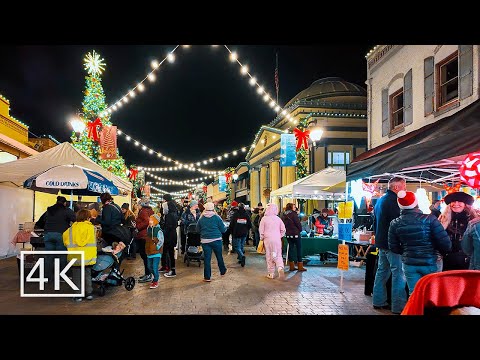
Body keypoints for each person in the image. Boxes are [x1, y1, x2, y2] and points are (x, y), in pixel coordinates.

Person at [388, 190, 451, 295]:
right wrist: (441, 253)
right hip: (431, 261)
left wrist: (407, 252)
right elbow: (445, 243)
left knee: (414, 294)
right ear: (416, 203)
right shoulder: (430, 219)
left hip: (409, 263)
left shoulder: (395, 223)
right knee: (432, 294)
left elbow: (393, 247)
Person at [372, 176, 408, 314]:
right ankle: (398, 307)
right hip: (392, 244)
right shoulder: (393, 201)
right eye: (404, 187)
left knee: (382, 272)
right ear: (397, 187)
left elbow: (376, 222)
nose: (405, 189)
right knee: (398, 274)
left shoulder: (381, 200)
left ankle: (378, 301)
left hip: (381, 242)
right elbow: (397, 224)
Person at [431, 192, 477, 270]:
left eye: (459, 201)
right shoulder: (442, 219)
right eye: (453, 201)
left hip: (467, 260)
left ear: (465, 204)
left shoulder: (473, 220)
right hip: (446, 259)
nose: (456, 204)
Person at [37, 195, 76, 281]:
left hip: (48, 235)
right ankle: (62, 277)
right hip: (60, 235)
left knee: (49, 257)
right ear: (65, 203)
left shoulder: (49, 210)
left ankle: (48, 277)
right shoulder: (66, 210)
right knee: (62, 257)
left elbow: (39, 223)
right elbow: (75, 219)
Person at [62, 209, 96, 302]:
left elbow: (65, 239)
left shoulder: (72, 228)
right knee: (87, 275)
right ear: (87, 218)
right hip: (88, 257)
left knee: (77, 276)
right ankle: (89, 294)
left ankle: (78, 295)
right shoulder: (91, 228)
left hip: (75, 256)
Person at [196, 202, 227, 282]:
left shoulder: (201, 218)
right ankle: (222, 271)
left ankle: (207, 277)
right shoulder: (217, 218)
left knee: (207, 258)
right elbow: (223, 229)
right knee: (219, 256)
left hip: (205, 241)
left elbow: (197, 230)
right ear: (213, 208)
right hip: (216, 240)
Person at [259, 203, 286, 280]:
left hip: (268, 240)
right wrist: (279, 235)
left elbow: (261, 231)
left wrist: (261, 238)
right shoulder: (278, 219)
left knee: (270, 255)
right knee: (277, 254)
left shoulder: (264, 219)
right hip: (277, 239)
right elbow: (283, 230)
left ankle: (271, 273)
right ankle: (280, 267)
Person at [135, 197, 154, 283]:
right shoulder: (150, 210)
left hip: (143, 235)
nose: (137, 206)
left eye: (138, 204)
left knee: (145, 256)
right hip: (148, 235)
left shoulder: (143, 211)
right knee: (147, 256)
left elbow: (146, 221)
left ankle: (148, 274)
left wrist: (138, 226)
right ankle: (148, 273)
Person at [282, 203, 305, 272]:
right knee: (298, 249)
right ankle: (300, 266)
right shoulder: (294, 214)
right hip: (296, 234)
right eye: (294, 207)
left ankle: (291, 266)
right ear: (291, 207)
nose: (295, 208)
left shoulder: (284, 215)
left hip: (288, 234)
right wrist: (300, 229)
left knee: (290, 249)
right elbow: (298, 223)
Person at [229, 203, 252, 267]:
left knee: (237, 247)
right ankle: (240, 259)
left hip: (237, 233)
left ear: (238, 207)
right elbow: (249, 224)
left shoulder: (235, 214)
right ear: (244, 207)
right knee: (241, 246)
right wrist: (246, 229)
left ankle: (242, 256)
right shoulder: (246, 214)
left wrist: (231, 231)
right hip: (244, 233)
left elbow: (232, 224)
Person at [145, 214, 164, 289]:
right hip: (149, 251)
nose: (150, 221)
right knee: (149, 267)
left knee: (154, 267)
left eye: (151, 220)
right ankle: (155, 277)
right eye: (149, 220)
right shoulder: (148, 229)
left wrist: (157, 247)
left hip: (156, 252)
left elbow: (161, 240)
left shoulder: (158, 230)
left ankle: (156, 280)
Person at [163, 193, 179, 278]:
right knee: (169, 252)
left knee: (170, 253)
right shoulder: (174, 212)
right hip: (172, 235)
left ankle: (172, 270)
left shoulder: (169, 215)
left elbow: (169, 226)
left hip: (169, 236)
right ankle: (170, 269)